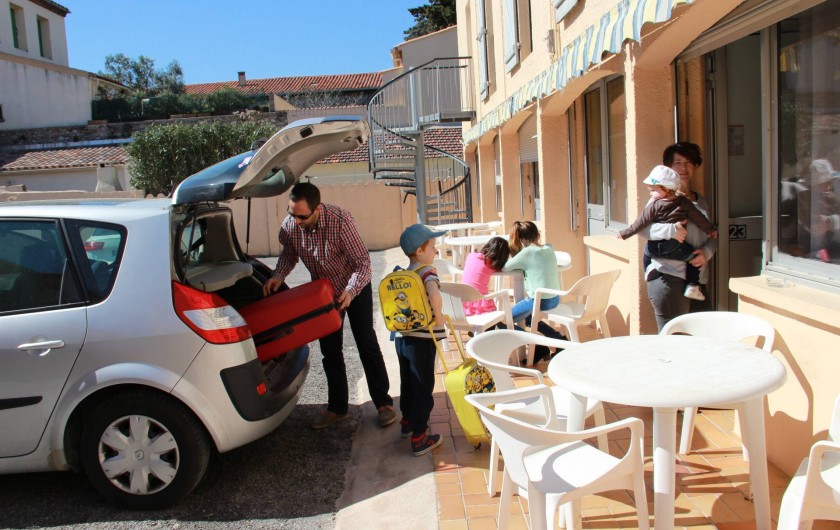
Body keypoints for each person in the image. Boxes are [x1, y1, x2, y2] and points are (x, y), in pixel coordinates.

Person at [263, 181, 396, 430]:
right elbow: (289, 254)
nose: (296, 220)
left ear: (317, 208)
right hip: (322, 293)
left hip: (353, 288)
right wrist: (279, 274)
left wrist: (350, 291)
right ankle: (337, 408)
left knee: (366, 343)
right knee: (330, 350)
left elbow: (363, 263)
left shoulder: (340, 221)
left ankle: (383, 404)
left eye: (302, 215)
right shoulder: (290, 225)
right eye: (292, 213)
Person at [645, 142, 718, 331]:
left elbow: (712, 234)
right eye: (677, 163)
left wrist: (706, 253)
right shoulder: (660, 198)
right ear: (669, 167)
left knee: (702, 337)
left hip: (697, 280)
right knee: (674, 340)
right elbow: (644, 230)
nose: (683, 168)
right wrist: (670, 230)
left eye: (688, 163)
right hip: (668, 277)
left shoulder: (700, 201)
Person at [618, 165, 718, 301]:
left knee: (647, 251)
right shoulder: (684, 203)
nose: (650, 194)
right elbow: (699, 219)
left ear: (665, 189)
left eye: (653, 190)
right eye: (678, 163)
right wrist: (711, 230)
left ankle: (648, 269)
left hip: (657, 248)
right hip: (674, 250)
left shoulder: (655, 205)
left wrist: (625, 233)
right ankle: (692, 285)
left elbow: (639, 223)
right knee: (692, 258)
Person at [395, 224, 446, 456]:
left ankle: (407, 421)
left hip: (403, 338)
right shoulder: (427, 272)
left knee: (407, 382)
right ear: (419, 250)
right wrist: (439, 315)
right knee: (424, 385)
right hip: (423, 340)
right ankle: (419, 437)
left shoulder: (402, 275)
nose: (435, 251)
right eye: (433, 247)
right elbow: (434, 294)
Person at [501, 221, 566, 348]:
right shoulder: (549, 247)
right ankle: (558, 340)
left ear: (522, 239)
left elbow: (505, 267)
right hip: (555, 299)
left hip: (540, 301)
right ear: (537, 235)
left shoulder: (528, 252)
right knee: (528, 318)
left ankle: (536, 346)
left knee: (503, 320)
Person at [460, 237, 510, 316]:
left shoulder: (471, 256)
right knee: (495, 322)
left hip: (464, 302)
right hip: (481, 304)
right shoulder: (492, 264)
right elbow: (505, 267)